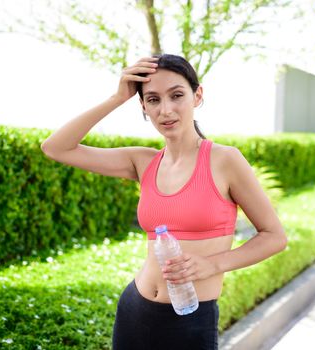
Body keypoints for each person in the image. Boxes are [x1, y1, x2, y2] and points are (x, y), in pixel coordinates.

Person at [40, 54, 287, 350]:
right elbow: (55, 147)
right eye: (153, 100)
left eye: (177, 95)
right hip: (136, 311)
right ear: (143, 106)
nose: (166, 110)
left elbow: (275, 237)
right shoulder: (143, 161)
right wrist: (118, 97)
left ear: (197, 96)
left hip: (190, 321)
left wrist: (212, 265)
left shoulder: (225, 160)